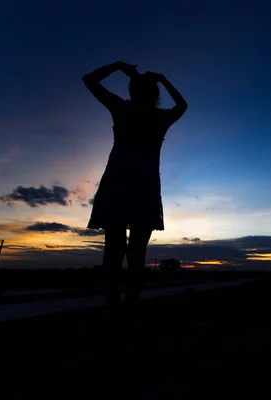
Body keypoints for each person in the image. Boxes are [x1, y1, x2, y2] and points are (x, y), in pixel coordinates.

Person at [83, 61, 187, 328]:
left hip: (118, 182)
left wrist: (119, 66)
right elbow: (182, 105)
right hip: (144, 185)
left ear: (133, 89)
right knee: (136, 251)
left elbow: (90, 80)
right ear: (154, 93)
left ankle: (113, 307)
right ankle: (129, 303)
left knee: (114, 249)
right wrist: (163, 78)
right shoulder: (159, 117)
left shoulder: (122, 108)